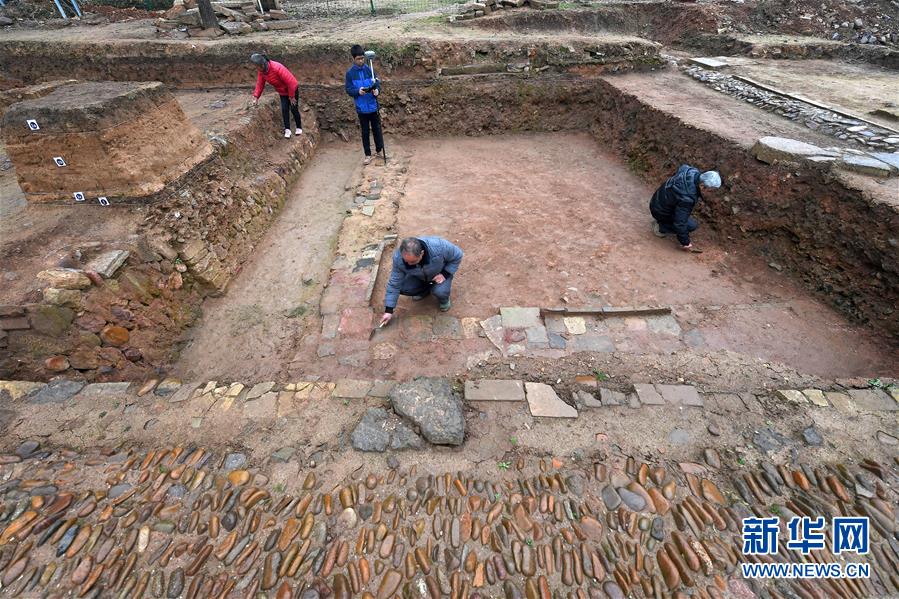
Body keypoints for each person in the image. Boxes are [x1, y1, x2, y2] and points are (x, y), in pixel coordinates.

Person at [379, 237, 464, 326]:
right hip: (419, 277)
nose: (409, 265)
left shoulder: (439, 247)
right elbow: (394, 283)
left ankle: (444, 299)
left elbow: (458, 255)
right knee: (403, 287)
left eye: (413, 261)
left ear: (422, 253)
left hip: (439, 275)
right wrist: (389, 310)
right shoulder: (398, 258)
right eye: (406, 261)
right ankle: (425, 291)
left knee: (440, 291)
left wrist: (445, 274)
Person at [649, 165, 721, 251]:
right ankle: (660, 227)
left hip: (657, 200)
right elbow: (680, 223)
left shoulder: (691, 171)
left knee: (683, 216)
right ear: (702, 186)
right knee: (691, 226)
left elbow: (682, 166)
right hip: (660, 210)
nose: (711, 194)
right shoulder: (687, 198)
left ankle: (663, 219)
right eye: (710, 191)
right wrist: (685, 242)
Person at [345, 44, 384, 165]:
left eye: (362, 58)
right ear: (353, 59)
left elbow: (377, 83)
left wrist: (377, 90)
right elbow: (348, 89)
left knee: (377, 129)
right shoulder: (350, 74)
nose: (361, 61)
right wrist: (358, 91)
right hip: (361, 108)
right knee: (365, 132)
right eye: (358, 59)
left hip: (373, 105)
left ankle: (379, 150)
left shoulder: (370, 69)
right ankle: (367, 154)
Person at [250, 53, 302, 139]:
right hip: (282, 92)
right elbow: (260, 84)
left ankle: (299, 127)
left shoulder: (276, 68)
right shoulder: (262, 72)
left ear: (262, 64)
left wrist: (292, 96)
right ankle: (287, 130)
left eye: (257, 66)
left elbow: (291, 83)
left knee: (293, 108)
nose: (257, 69)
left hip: (292, 89)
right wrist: (256, 97)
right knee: (284, 109)